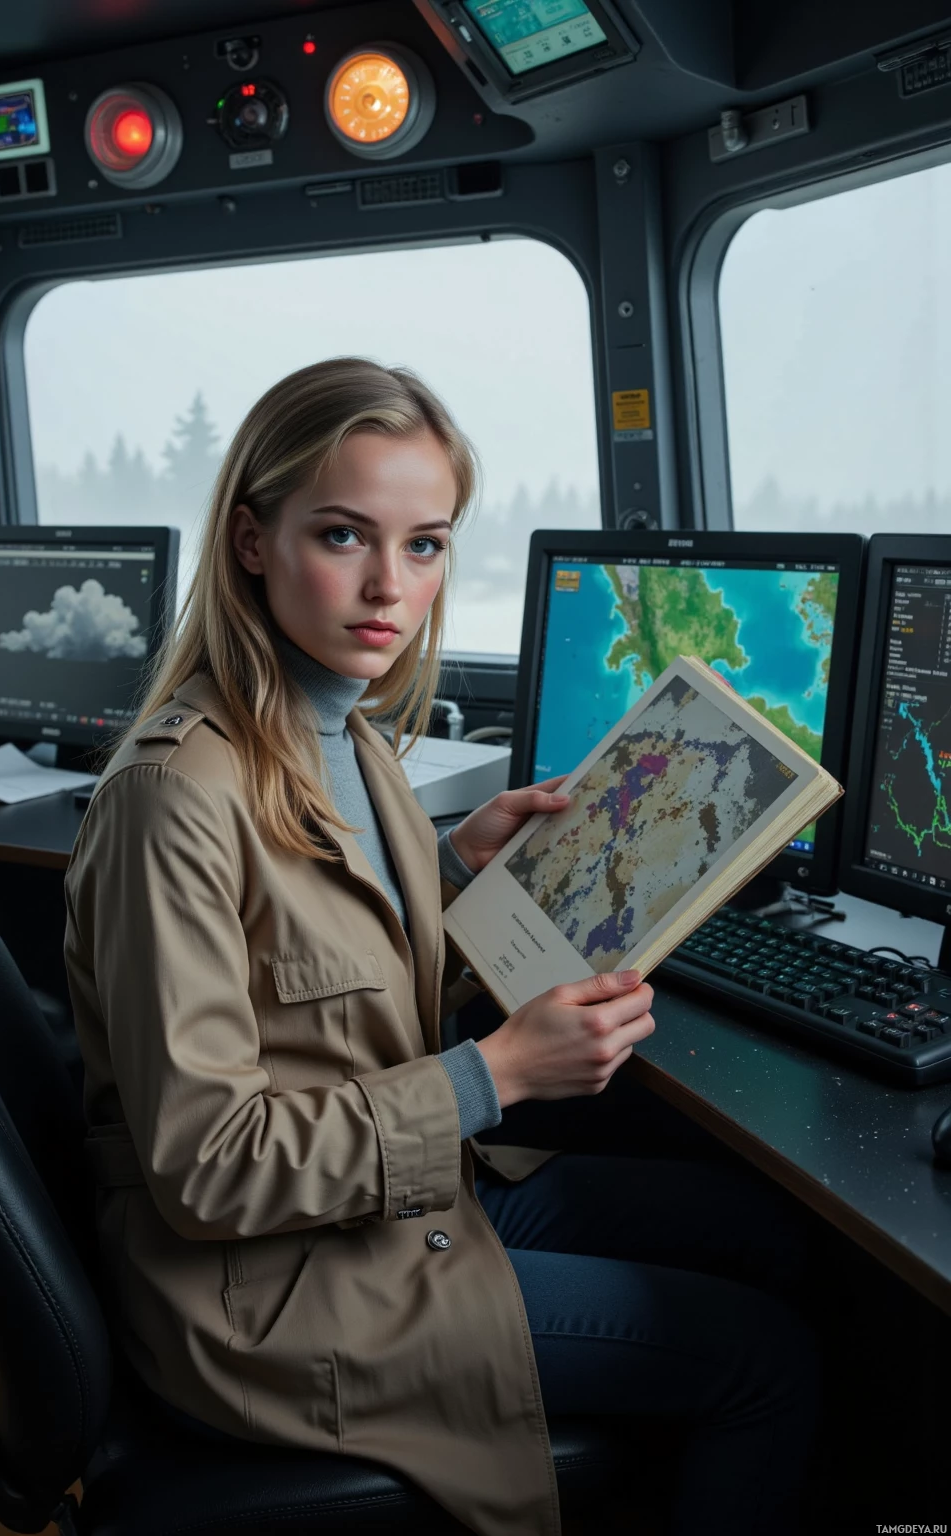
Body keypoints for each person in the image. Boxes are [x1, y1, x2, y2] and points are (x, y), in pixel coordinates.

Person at [64, 357, 817, 1536]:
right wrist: (497, 1077)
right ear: (252, 541)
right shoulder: (174, 797)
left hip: (385, 1210)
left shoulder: (347, 737)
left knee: (770, 1232)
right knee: (761, 1360)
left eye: (424, 545)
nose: (387, 588)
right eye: (343, 536)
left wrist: (450, 867)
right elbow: (209, 1163)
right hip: (280, 1292)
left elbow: (314, 967)